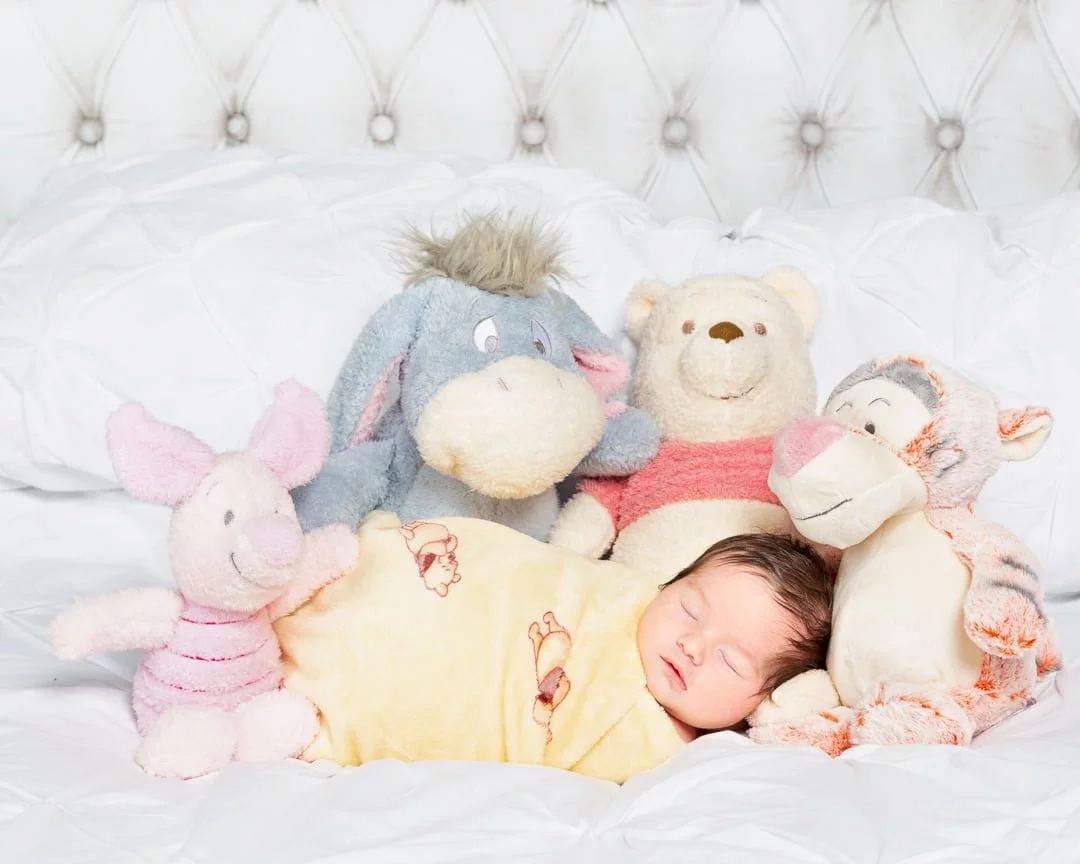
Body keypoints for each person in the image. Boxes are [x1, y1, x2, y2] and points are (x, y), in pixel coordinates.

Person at [275, 512, 834, 783]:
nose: (693, 645)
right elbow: (522, 572)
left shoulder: (676, 759)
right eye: (690, 608)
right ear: (669, 583)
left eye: (730, 660)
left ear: (761, 702)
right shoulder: (621, 596)